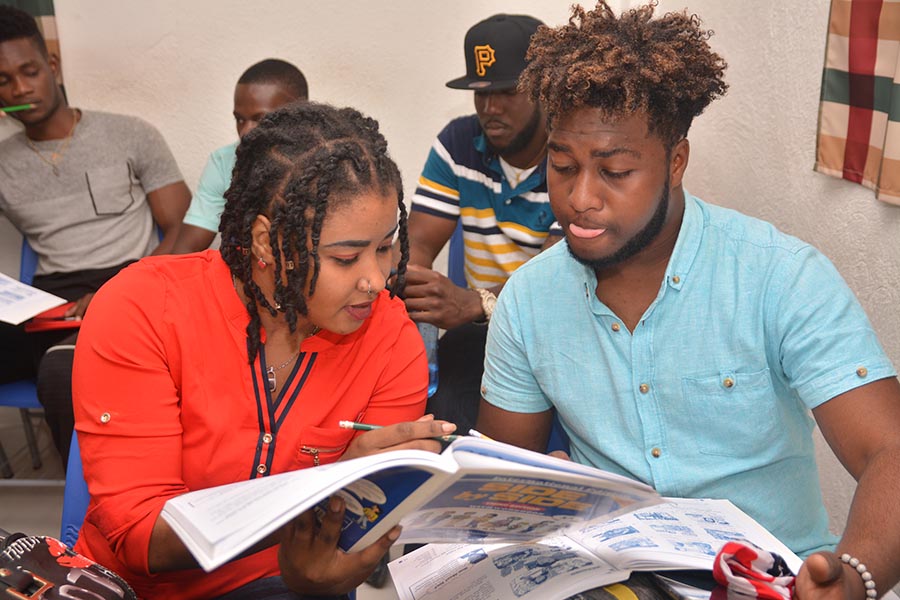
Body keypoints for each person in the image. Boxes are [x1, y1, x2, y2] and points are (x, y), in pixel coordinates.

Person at [476, 3, 900, 600]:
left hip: (770, 582)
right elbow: (499, 488)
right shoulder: (528, 300)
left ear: (675, 163)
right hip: (614, 583)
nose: (580, 198)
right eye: (563, 166)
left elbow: (888, 449)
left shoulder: (779, 277)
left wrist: (854, 578)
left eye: (615, 171)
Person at [72, 102, 453, 599]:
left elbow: (333, 568)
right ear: (266, 243)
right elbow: (141, 539)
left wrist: (339, 537)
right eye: (345, 257)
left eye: (384, 248)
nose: (376, 280)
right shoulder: (142, 308)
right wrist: (330, 488)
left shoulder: (390, 338)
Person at [0, 6, 191, 466]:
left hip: (129, 287)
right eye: (3, 81)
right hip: (49, 303)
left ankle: (96, 498)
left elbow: (185, 227)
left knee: (61, 373)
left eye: (29, 72)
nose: (20, 89)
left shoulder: (129, 135)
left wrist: (118, 291)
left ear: (52, 66)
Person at [402, 13, 561, 434]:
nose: (490, 108)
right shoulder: (458, 142)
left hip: (557, 331)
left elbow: (555, 279)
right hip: (482, 332)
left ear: (544, 89)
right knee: (441, 421)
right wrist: (414, 284)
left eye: (506, 92)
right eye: (480, 93)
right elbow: (417, 244)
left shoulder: (570, 153)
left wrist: (478, 303)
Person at [171, 58, 308, 254]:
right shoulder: (224, 161)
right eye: (240, 119)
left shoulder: (330, 160)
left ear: (300, 113)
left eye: (260, 119)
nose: (245, 132)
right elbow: (186, 248)